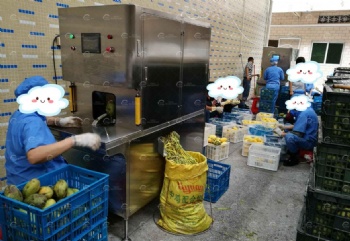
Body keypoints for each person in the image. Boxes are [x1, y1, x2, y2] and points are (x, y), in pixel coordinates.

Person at [5, 76, 101, 185]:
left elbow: (35, 120)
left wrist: (58, 121)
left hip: (17, 180)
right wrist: (74, 140)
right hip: (37, 185)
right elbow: (34, 156)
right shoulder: (33, 123)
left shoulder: (19, 114)